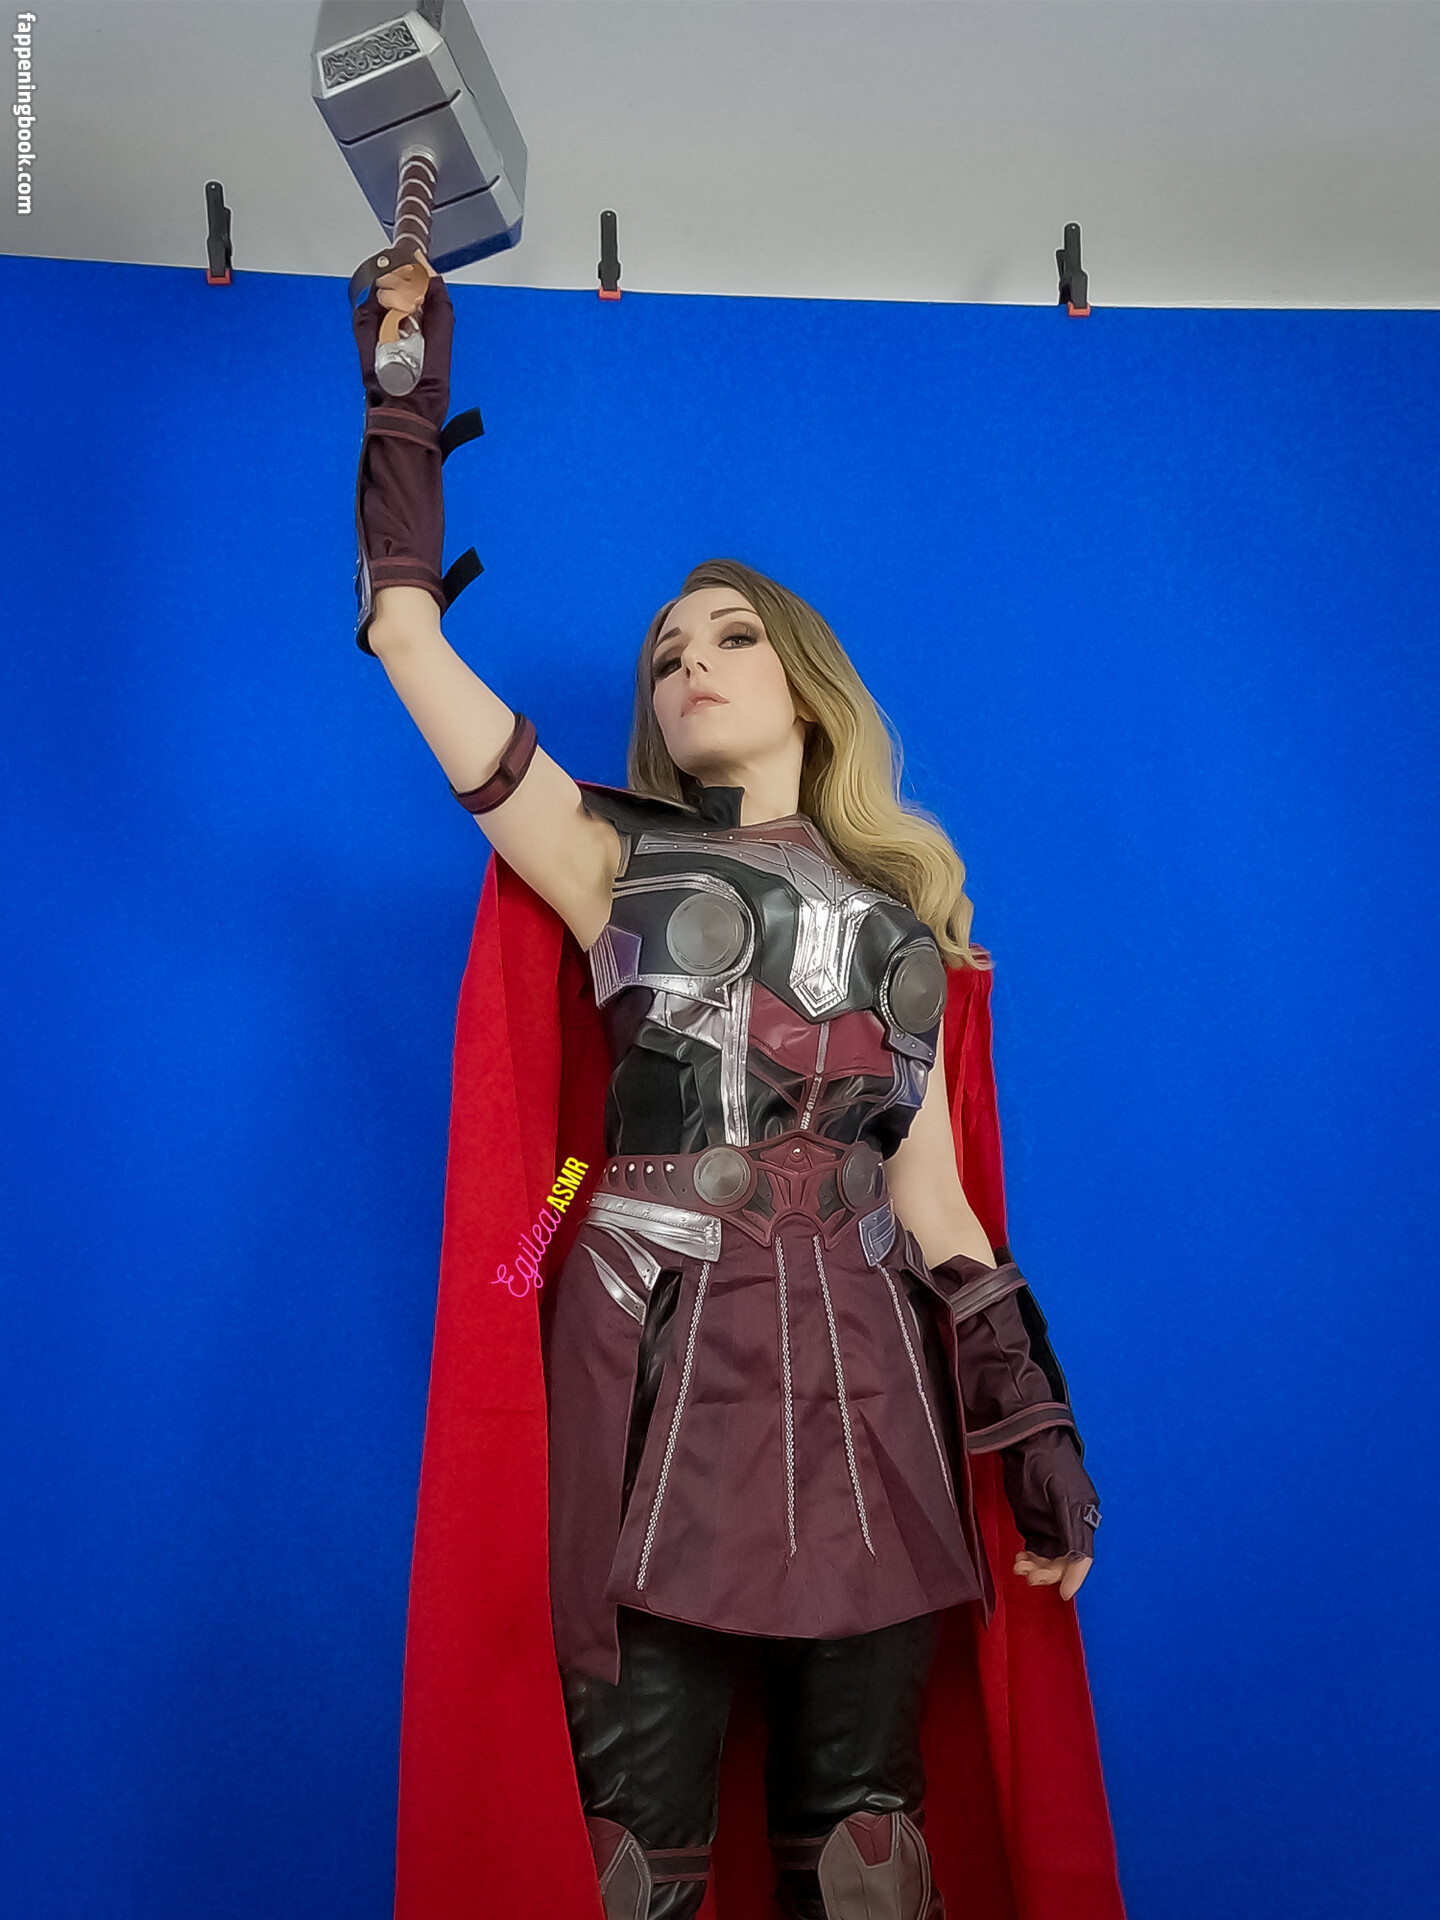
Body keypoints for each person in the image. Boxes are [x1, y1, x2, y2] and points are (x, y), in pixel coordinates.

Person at [350, 255, 1105, 1920]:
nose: (692, 662)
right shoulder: (604, 855)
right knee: (631, 1855)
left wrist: (1038, 1425)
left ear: (804, 678)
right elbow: (406, 635)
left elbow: (936, 1204)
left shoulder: (909, 932)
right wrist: (404, 397)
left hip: (874, 1390)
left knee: (869, 1849)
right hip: (650, 1360)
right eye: (666, 651)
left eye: (733, 634)